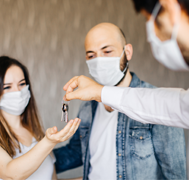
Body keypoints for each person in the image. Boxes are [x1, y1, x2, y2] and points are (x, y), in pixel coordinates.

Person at [54, 23, 186, 180]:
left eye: (107, 51)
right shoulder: (87, 107)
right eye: (91, 55)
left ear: (127, 52)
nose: (99, 61)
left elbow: (175, 175)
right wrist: (36, 154)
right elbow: (77, 152)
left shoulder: (159, 108)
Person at [63, 0, 189, 129]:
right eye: (91, 55)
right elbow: (172, 107)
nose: (152, 36)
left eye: (148, 19)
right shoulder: (88, 107)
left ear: (170, 7)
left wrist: (100, 92)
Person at [0, 56, 81, 180]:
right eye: (7, 87)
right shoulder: (45, 142)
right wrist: (49, 142)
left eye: (22, 84)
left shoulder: (36, 132)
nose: (18, 91)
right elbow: (11, 174)